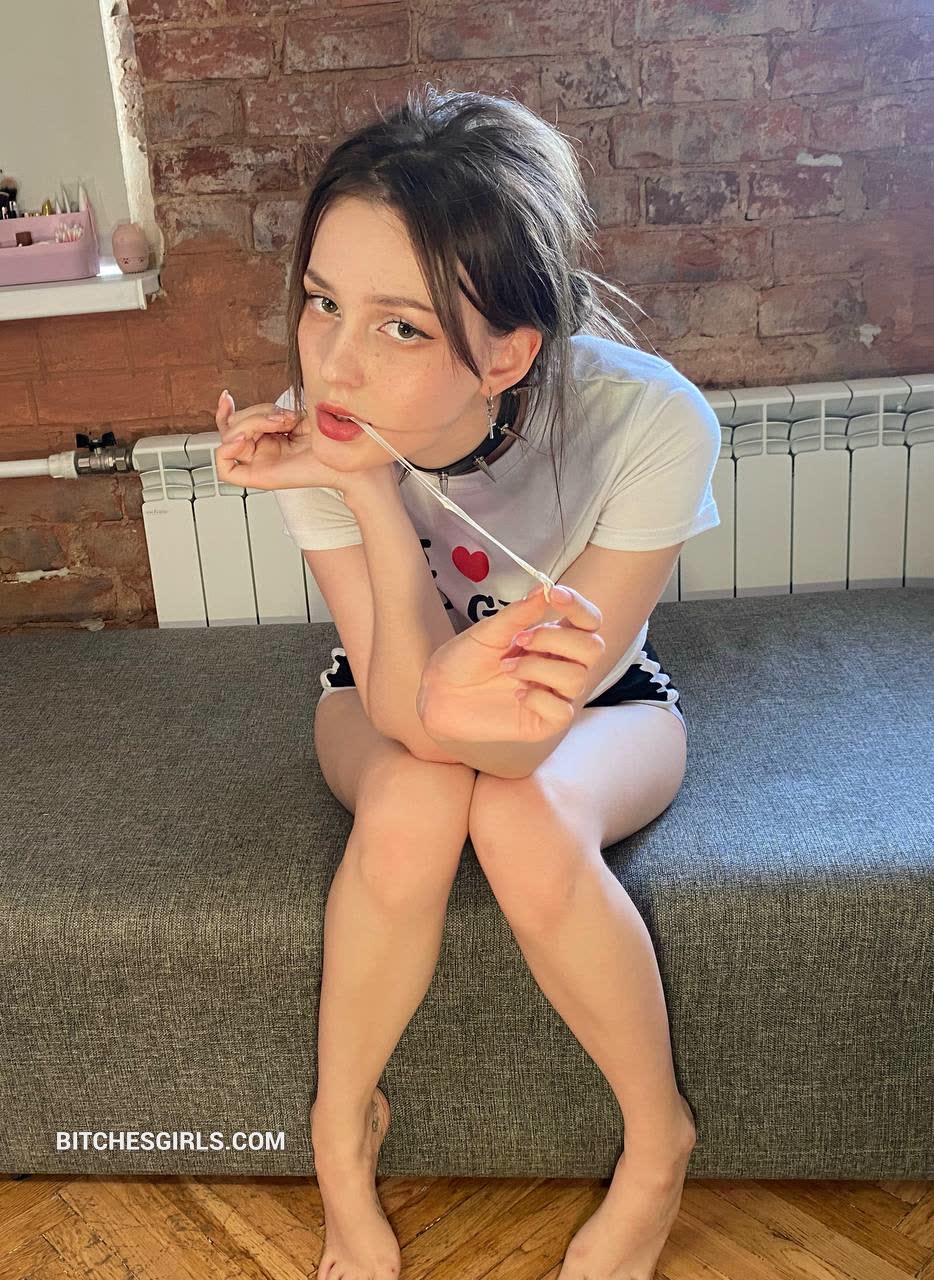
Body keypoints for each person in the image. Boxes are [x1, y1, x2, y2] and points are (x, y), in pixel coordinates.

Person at [214, 85, 721, 1280]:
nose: (332, 364)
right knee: (415, 794)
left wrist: (451, 704)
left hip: (595, 704)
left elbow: (524, 736)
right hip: (381, 686)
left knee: (519, 811)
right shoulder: (322, 433)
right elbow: (406, 711)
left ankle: (658, 1144)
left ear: (507, 350)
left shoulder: (649, 421)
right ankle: (339, 1132)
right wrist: (360, 490)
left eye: (398, 327)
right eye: (322, 303)